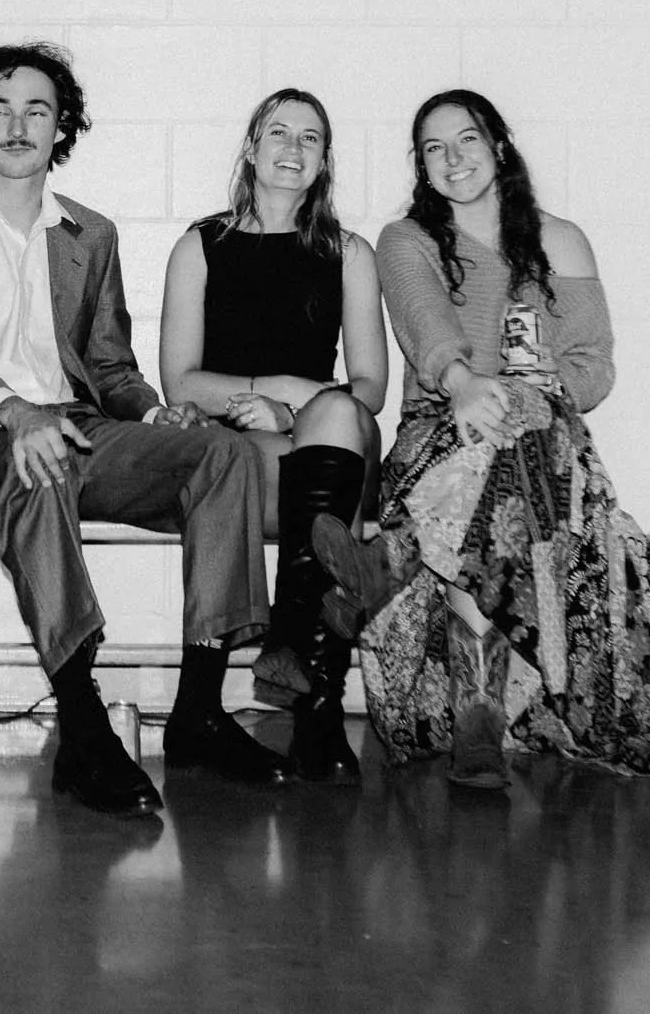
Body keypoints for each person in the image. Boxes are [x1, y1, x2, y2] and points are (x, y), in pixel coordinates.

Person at [0, 42, 283, 818]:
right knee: (34, 464)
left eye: (36, 108)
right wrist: (16, 412)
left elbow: (108, 364)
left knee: (224, 452)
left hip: (79, 428)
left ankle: (200, 707)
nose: (16, 124)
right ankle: (80, 720)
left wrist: (149, 412)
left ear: (59, 125)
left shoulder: (89, 233)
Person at [319, 89, 650, 787]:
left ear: (498, 143)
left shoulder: (562, 240)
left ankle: (401, 563)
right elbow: (422, 317)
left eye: (465, 139)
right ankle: (476, 718)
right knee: (498, 453)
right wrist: (464, 382)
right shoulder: (407, 238)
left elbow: (594, 367)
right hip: (439, 436)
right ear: (421, 165)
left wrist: (535, 389)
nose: (452, 158)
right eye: (433, 148)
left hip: (549, 438)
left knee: (525, 429)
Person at [158, 87, 386, 781]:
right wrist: (261, 403)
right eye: (278, 133)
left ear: (323, 161)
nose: (292, 149)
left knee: (342, 416)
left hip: (332, 442)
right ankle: (317, 710)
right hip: (249, 454)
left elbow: (370, 387)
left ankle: (303, 676)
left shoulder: (350, 251)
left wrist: (286, 401)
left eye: (310, 138)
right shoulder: (201, 245)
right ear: (252, 148)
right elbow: (181, 382)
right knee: (280, 461)